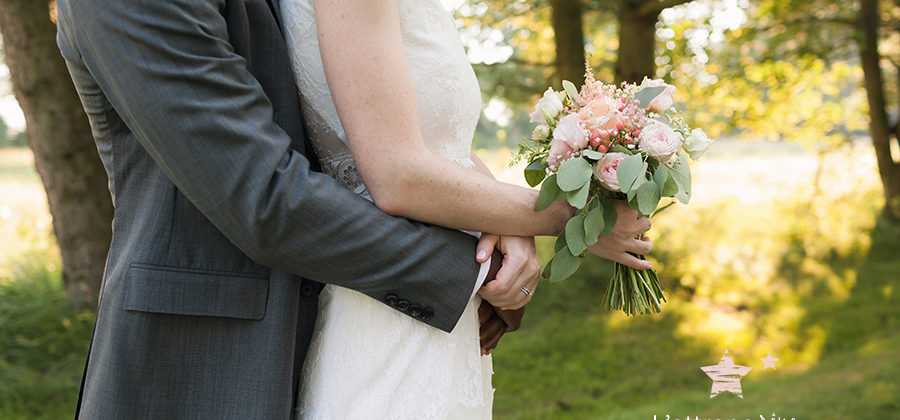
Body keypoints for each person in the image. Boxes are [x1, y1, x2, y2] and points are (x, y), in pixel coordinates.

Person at [55, 0, 651, 418]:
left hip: (340, 317)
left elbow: (370, 128)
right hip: (202, 356)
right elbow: (265, 198)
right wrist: (475, 265)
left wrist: (500, 212)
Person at [280, 0, 653, 418]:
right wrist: (577, 218)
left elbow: (444, 146)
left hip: (445, 312)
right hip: (390, 305)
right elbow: (397, 175)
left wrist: (505, 222)